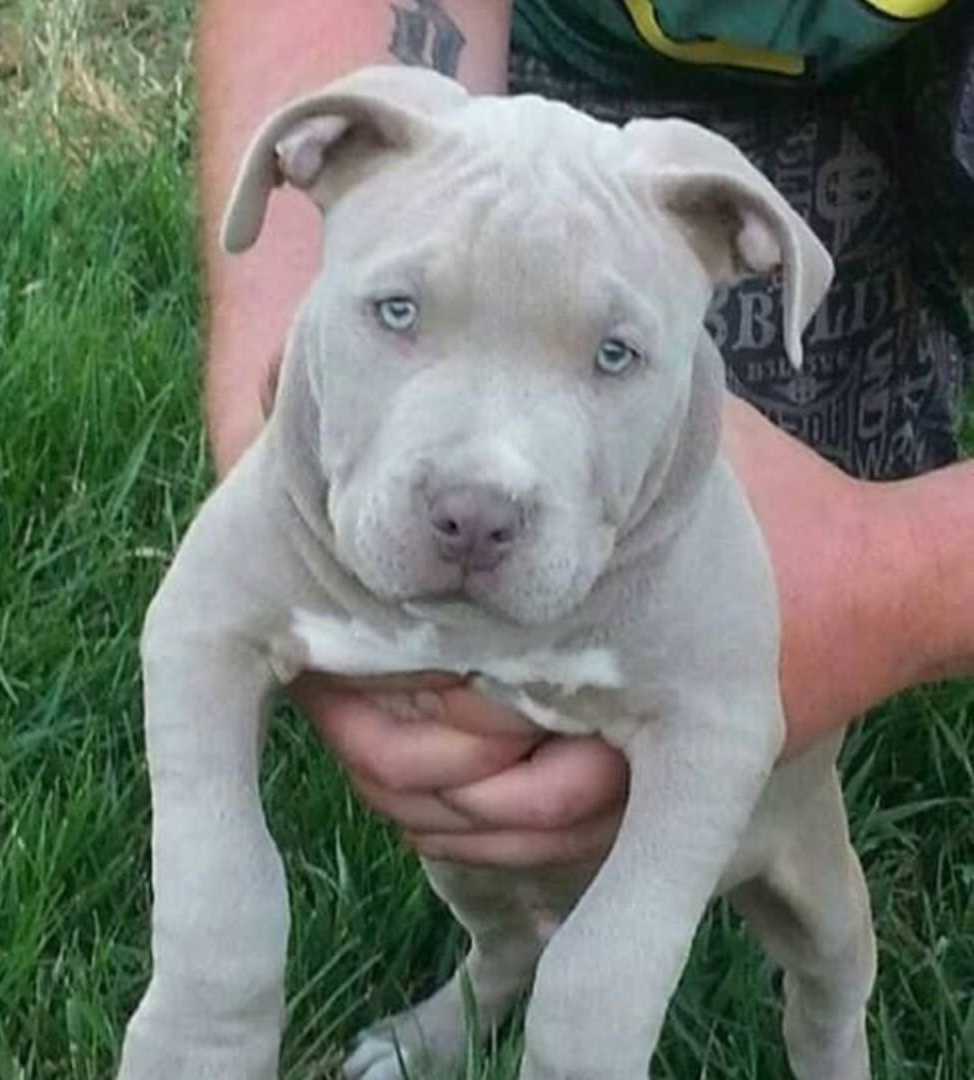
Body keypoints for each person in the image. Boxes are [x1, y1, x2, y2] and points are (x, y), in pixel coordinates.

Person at [197, 0, 974, 868]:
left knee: (701, 569)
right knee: (535, 263)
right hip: (588, 40)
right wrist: (289, 460)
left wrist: (892, 574)